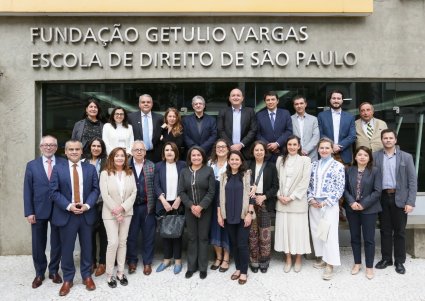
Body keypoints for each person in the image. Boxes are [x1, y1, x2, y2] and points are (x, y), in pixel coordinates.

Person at [50, 140, 100, 296]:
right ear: (65, 152)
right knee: (67, 249)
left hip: (86, 215)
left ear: (81, 151)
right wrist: (68, 206)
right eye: (70, 149)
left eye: (77, 149)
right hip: (67, 215)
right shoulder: (58, 169)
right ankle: (68, 279)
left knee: (87, 248)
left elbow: (95, 190)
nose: (74, 152)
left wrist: (87, 205)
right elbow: (54, 192)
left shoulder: (90, 168)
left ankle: (86, 276)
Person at [24, 135, 65, 289]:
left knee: (57, 243)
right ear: (41, 147)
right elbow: (27, 190)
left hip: (58, 209)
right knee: (38, 243)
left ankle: (54, 271)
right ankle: (39, 273)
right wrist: (29, 212)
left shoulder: (63, 163)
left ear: (56, 147)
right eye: (46, 145)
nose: (49, 147)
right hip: (38, 209)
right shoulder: (32, 165)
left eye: (52, 145)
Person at [373, 129, 417, 274]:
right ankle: (386, 259)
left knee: (399, 231)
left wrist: (410, 202)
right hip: (383, 197)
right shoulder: (376, 156)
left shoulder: (406, 157)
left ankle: (399, 261)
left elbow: (412, 181)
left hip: (400, 198)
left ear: (395, 140)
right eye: (385, 138)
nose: (388, 140)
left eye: (390, 138)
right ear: (382, 140)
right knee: (385, 230)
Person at [307, 137, 345, 280]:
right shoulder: (313, 165)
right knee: (318, 232)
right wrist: (311, 198)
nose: (324, 150)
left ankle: (331, 264)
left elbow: (339, 188)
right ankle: (322, 257)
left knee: (330, 234)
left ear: (332, 150)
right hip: (314, 204)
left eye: (327, 148)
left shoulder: (338, 166)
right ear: (318, 149)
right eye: (321, 148)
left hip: (329, 205)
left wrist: (326, 202)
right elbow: (309, 184)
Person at [100, 147, 137, 288]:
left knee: (122, 242)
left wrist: (122, 209)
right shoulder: (105, 173)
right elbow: (105, 195)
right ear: (112, 158)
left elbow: (134, 192)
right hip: (110, 214)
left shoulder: (129, 172)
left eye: (122, 156)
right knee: (113, 242)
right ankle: (109, 274)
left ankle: (120, 272)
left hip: (126, 213)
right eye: (117, 156)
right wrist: (116, 211)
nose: (120, 158)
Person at [274, 135, 312, 273]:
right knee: (285, 232)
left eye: (294, 144)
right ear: (286, 146)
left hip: (297, 202)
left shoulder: (305, 160)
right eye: (289, 144)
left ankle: (298, 259)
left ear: (299, 146)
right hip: (282, 201)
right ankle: (288, 258)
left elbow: (305, 181)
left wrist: (291, 197)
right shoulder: (280, 160)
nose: (292, 147)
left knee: (298, 232)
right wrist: (279, 195)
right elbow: (277, 180)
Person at [344, 146, 382, 279]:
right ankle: (357, 263)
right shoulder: (349, 170)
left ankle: (369, 267)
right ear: (355, 157)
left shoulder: (375, 171)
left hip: (369, 209)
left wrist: (363, 204)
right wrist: (351, 202)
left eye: (365, 155)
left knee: (369, 239)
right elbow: (344, 189)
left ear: (369, 158)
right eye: (359, 154)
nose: (362, 157)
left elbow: (377, 191)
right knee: (354, 237)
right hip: (352, 209)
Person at [178, 146, 215, 279]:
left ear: (203, 156)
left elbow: (211, 192)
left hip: (205, 209)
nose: (196, 157)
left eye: (199, 155)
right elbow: (181, 191)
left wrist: (200, 207)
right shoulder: (184, 172)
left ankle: (203, 268)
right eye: (193, 155)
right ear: (190, 157)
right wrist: (191, 206)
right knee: (192, 238)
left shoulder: (209, 170)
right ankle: (191, 267)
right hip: (189, 210)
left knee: (203, 238)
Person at [218, 150, 255, 285]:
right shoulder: (223, 176)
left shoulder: (246, 175)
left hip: (243, 216)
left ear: (241, 161)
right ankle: (238, 268)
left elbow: (252, 197)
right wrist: (220, 215)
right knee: (234, 244)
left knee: (242, 244)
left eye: (237, 159)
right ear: (228, 161)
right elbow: (219, 198)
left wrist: (249, 214)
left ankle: (244, 272)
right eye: (232, 159)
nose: (234, 161)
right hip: (228, 216)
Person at [154, 142, 186, 274]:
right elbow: (156, 184)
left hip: (178, 202)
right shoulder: (158, 166)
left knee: (177, 233)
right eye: (166, 150)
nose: (169, 152)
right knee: (165, 232)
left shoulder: (182, 165)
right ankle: (166, 259)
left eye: (172, 150)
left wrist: (179, 198)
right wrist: (163, 200)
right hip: (163, 203)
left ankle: (178, 260)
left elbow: (185, 184)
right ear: (163, 153)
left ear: (176, 152)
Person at [247, 141, 278, 273]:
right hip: (251, 203)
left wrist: (264, 196)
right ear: (253, 152)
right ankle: (254, 259)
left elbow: (275, 186)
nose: (259, 152)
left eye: (261, 150)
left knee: (265, 233)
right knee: (252, 233)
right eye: (256, 150)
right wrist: (251, 194)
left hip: (265, 202)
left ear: (265, 152)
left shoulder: (271, 166)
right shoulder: (248, 165)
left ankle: (264, 260)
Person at [126, 140, 156, 276]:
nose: (139, 152)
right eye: (136, 150)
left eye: (141, 150)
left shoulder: (151, 166)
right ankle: (132, 261)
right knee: (131, 236)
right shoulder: (125, 165)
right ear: (131, 152)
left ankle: (147, 262)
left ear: (145, 152)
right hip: (130, 207)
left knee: (148, 236)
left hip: (147, 206)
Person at [82, 138, 108, 277]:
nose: (96, 148)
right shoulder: (83, 162)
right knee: (89, 234)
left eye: (99, 146)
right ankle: (91, 261)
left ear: (102, 148)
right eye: (94, 146)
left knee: (104, 235)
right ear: (90, 147)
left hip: (104, 203)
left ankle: (102, 263)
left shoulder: (106, 162)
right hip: (88, 204)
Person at [208, 139, 231, 273]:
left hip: (227, 199)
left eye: (223, 146)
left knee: (226, 227)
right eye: (218, 147)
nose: (221, 149)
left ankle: (226, 257)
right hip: (212, 200)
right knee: (214, 227)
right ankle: (218, 257)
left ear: (228, 148)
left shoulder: (232, 162)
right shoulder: (210, 163)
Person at [318, 90, 356, 165]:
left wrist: (339, 146)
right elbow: (320, 133)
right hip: (326, 154)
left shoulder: (350, 117)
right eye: (334, 98)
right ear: (330, 100)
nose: (336, 100)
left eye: (338, 98)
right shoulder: (321, 116)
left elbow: (352, 136)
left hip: (344, 155)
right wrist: (332, 145)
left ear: (342, 101)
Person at [217, 88, 257, 158]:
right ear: (229, 98)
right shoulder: (223, 112)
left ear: (242, 98)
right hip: (228, 149)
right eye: (233, 95)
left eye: (238, 95)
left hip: (246, 150)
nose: (236, 97)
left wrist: (241, 144)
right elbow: (220, 130)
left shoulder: (250, 111)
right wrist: (231, 145)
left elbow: (253, 130)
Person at [256, 91, 292, 161]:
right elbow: (257, 133)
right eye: (268, 100)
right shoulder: (259, 115)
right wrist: (269, 145)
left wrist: (277, 144)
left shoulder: (285, 113)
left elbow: (289, 131)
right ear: (265, 102)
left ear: (277, 101)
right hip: (266, 152)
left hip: (282, 151)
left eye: (273, 99)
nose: (270, 102)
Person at [128, 94, 163, 162]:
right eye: (143, 102)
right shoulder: (131, 117)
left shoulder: (160, 118)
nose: (146, 104)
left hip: (155, 155)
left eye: (148, 102)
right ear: (139, 104)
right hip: (137, 155)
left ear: (152, 104)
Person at [291, 95, 320, 161]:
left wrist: (306, 150)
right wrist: (298, 150)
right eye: (296, 104)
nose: (299, 106)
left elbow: (316, 137)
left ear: (305, 104)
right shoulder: (290, 119)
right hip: (295, 155)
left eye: (301, 103)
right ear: (294, 106)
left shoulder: (314, 119)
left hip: (311, 156)